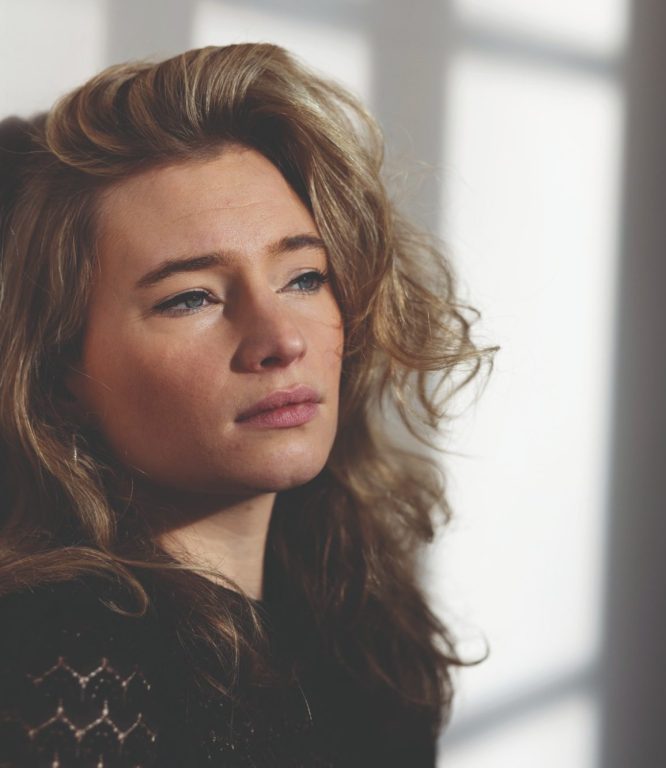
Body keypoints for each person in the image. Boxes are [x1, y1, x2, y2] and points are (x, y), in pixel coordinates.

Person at [0, 43, 492, 767]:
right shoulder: (69, 664)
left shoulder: (359, 616)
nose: (280, 339)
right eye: (191, 297)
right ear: (55, 375)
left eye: (303, 278)